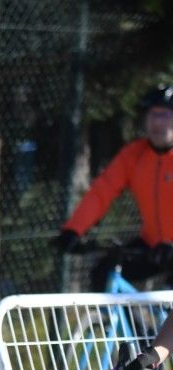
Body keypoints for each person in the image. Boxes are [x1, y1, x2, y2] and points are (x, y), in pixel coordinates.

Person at [52, 84, 173, 290]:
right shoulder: (134, 155)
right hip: (152, 246)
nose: (158, 122)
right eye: (153, 115)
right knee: (104, 272)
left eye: (165, 115)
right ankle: (120, 322)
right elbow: (102, 192)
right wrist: (73, 230)